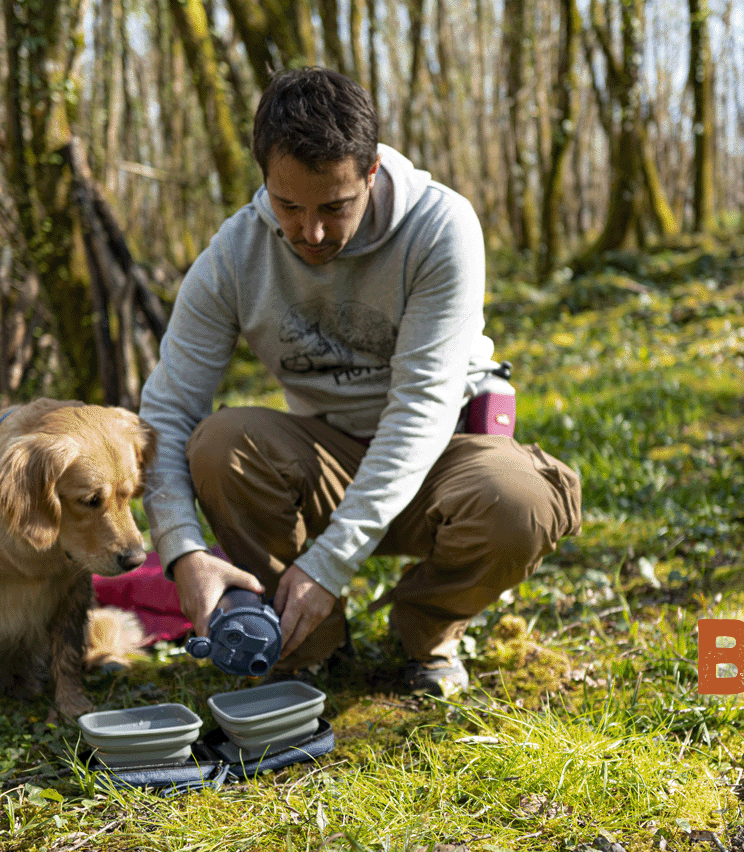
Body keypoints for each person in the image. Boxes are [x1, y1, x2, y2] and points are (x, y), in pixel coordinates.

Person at [137, 67, 581, 696]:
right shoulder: (234, 256)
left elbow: (421, 410)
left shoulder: (440, 227)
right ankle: (302, 643)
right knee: (218, 443)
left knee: (521, 503)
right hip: (330, 454)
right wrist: (181, 551)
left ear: (371, 171)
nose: (311, 233)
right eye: (288, 206)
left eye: (334, 207)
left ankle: (426, 632)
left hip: (443, 458)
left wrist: (330, 562)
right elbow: (167, 410)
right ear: (263, 176)